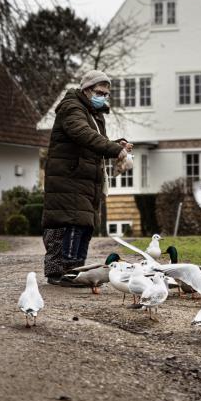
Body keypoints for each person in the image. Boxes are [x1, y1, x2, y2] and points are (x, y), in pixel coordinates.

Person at [42, 70, 132, 286]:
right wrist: (113, 150)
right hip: (69, 179)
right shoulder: (72, 108)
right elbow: (83, 134)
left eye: (106, 94)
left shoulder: (91, 111)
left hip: (83, 179)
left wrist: (115, 144)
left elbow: (96, 140)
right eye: (100, 92)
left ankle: (75, 271)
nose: (103, 97)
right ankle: (66, 272)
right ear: (86, 89)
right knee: (72, 223)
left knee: (84, 224)